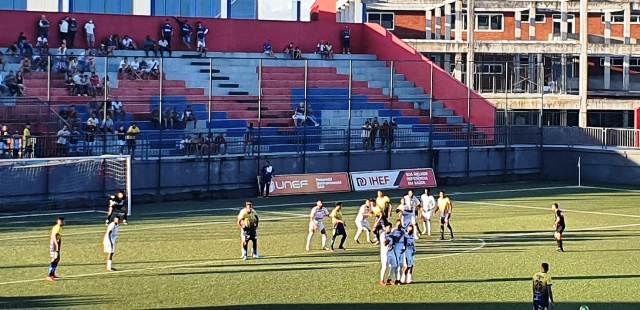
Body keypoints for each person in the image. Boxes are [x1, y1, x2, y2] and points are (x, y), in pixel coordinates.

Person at [386, 219, 405, 285]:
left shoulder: (403, 231)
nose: (399, 226)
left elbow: (405, 239)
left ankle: (397, 279)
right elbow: (390, 238)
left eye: (400, 224)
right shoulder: (393, 230)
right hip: (395, 249)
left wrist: (404, 247)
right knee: (396, 265)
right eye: (398, 224)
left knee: (401, 265)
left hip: (401, 250)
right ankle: (395, 279)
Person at [46, 217, 65, 281]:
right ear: (57, 221)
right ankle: (49, 275)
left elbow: (58, 237)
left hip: (56, 244)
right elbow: (54, 237)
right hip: (54, 245)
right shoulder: (57, 227)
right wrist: (57, 247)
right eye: (60, 221)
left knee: (57, 258)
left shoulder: (60, 227)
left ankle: (53, 274)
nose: (62, 222)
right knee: (54, 258)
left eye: (62, 221)